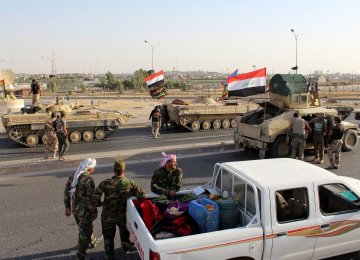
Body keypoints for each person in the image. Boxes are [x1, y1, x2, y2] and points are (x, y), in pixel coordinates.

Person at [92, 159, 144, 259]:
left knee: (108, 237)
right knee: (124, 232)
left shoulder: (105, 183)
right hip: (123, 215)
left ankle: (109, 255)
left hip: (107, 216)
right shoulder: (130, 183)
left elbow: (95, 199)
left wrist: (101, 203)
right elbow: (141, 196)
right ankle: (125, 246)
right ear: (124, 170)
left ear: (114, 171)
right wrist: (130, 195)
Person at [64, 158, 98, 260]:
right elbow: (89, 199)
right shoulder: (88, 180)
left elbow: (67, 193)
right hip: (85, 211)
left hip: (75, 209)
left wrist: (67, 207)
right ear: (89, 168)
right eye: (93, 167)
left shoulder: (73, 177)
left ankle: (92, 241)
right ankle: (80, 254)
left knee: (83, 226)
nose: (94, 168)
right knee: (85, 232)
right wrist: (94, 211)